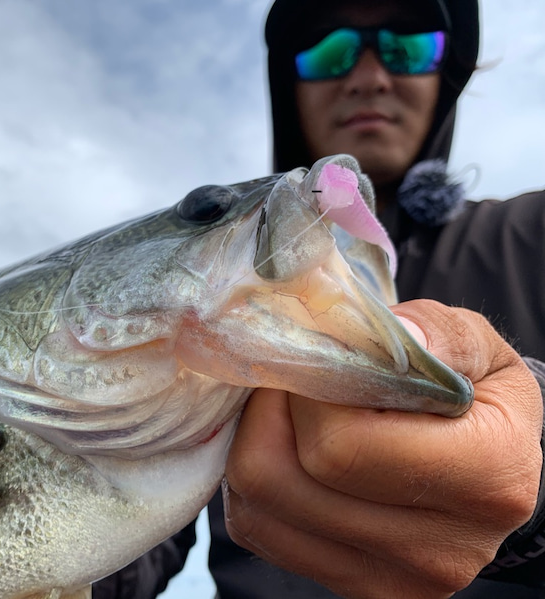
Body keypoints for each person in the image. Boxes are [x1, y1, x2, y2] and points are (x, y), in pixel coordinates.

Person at [94, 0, 545, 597]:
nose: (368, 76)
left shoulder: (534, 232)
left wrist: (537, 483)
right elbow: (135, 535)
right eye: (330, 53)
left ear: (446, 73)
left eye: (407, 47)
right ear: (290, 86)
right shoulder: (212, 289)